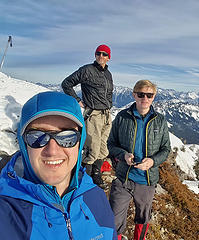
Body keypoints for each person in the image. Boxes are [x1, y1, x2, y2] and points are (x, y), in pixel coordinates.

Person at [0, 91, 117, 240]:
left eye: (67, 137)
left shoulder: (96, 198)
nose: (52, 151)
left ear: (80, 143)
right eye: (37, 137)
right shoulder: (6, 211)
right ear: (24, 144)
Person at [107, 80, 171, 240]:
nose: (145, 98)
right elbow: (111, 144)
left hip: (147, 181)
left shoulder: (160, 121)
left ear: (154, 97)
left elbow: (166, 149)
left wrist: (152, 162)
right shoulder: (122, 117)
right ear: (134, 95)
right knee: (114, 219)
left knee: (143, 218)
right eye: (141, 94)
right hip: (124, 178)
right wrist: (123, 155)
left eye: (149, 95)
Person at [61, 44, 113, 188]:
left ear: (109, 58)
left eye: (104, 54)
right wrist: (78, 100)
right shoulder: (87, 70)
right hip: (93, 114)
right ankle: (83, 177)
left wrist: (109, 105)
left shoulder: (108, 74)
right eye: (98, 53)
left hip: (106, 114)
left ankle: (96, 174)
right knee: (92, 148)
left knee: (103, 148)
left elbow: (108, 93)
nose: (101, 56)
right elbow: (66, 84)